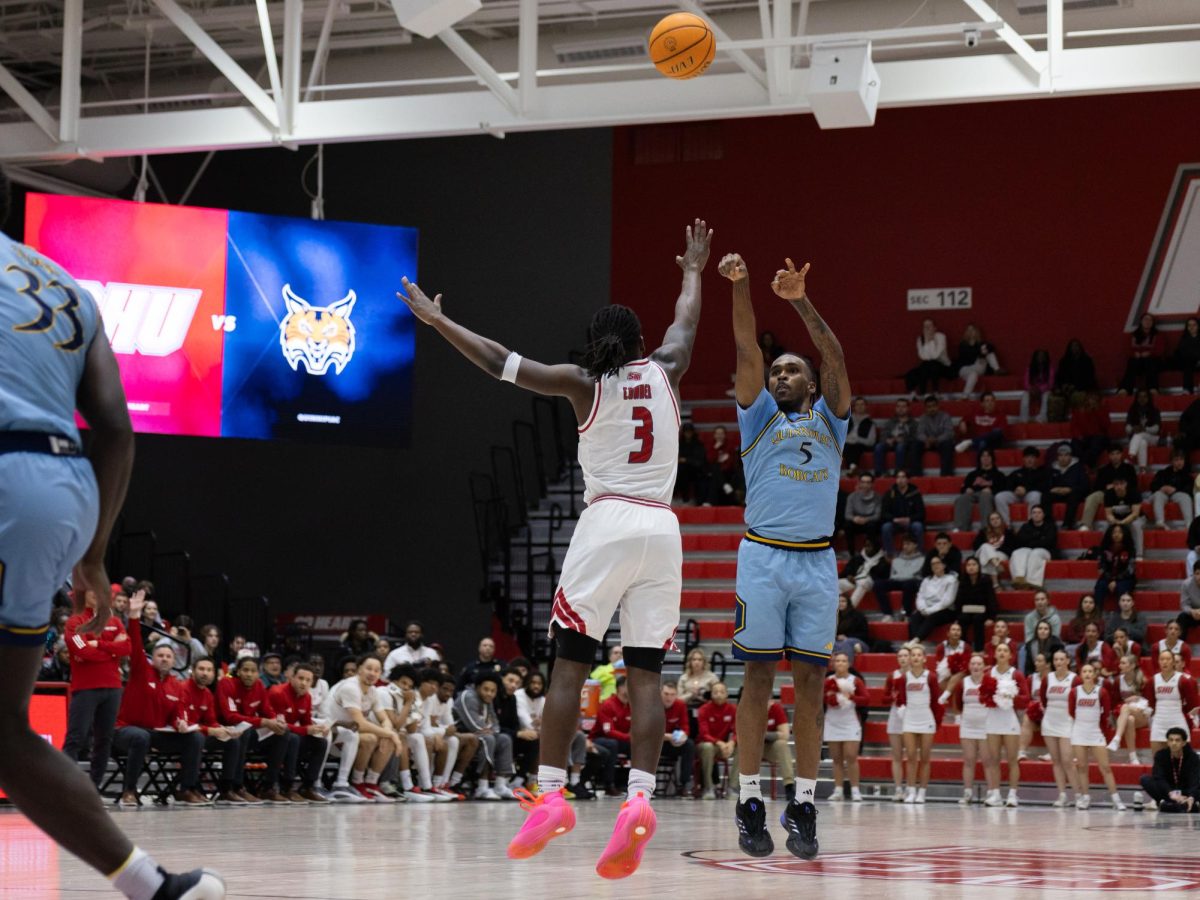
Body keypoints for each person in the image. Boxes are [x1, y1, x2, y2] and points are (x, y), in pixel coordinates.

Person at [401, 221, 713, 876]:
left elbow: (498, 361)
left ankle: (549, 796)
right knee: (647, 675)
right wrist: (692, 268)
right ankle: (639, 802)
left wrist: (437, 322)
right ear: (639, 342)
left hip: (607, 524)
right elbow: (686, 320)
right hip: (664, 528)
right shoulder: (670, 368)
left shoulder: (582, 382)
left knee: (570, 666)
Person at [0, 170, 222, 896]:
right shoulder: (68, 288)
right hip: (63, 493)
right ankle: (153, 887)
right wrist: (94, 555)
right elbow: (119, 432)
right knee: (7, 734)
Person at [716, 251, 851, 861]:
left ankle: (802, 803)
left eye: (791, 371)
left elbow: (837, 357)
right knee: (758, 678)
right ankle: (748, 800)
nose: (778, 377)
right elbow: (748, 351)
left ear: (812, 385)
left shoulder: (832, 421)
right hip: (765, 558)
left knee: (812, 684)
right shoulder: (758, 422)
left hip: (818, 562)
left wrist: (798, 300)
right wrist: (741, 288)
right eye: (776, 373)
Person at [110, 592, 209, 811]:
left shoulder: (176, 684)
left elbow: (178, 713)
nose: (164, 658)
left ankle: (186, 788)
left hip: (157, 733)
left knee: (195, 739)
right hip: (125, 730)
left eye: (168, 656)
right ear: (152, 658)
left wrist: (180, 724)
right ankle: (129, 790)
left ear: (175, 661)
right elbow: (135, 644)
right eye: (160, 655)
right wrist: (134, 616)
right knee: (141, 736)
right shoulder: (141, 670)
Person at [61, 587, 130, 790]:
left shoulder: (114, 621)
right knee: (76, 737)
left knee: (104, 740)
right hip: (85, 688)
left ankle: (93, 788)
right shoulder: (74, 622)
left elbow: (127, 648)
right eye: (92, 591)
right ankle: (67, 787)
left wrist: (98, 645)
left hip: (113, 688)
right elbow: (80, 650)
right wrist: (111, 651)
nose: (97, 594)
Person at [322, 655, 404, 802]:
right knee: (372, 738)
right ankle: (357, 782)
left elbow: (384, 718)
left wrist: (388, 733)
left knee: (386, 737)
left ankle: (371, 783)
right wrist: (390, 734)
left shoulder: (373, 690)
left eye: (377, 670)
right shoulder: (350, 687)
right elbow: (361, 723)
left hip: (351, 732)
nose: (372, 673)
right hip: (331, 734)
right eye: (369, 669)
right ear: (359, 669)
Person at [177, 657, 258, 805]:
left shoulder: (207, 693)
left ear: (214, 674)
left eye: (209, 670)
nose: (205, 673)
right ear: (192, 671)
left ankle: (227, 789)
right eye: (201, 669)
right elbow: (185, 724)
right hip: (182, 736)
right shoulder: (183, 688)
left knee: (232, 741)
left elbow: (211, 721)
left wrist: (222, 729)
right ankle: (187, 789)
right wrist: (212, 731)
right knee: (196, 738)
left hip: (201, 734)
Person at [214, 657, 292, 803]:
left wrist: (277, 721)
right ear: (238, 671)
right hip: (225, 733)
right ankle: (235, 787)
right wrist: (263, 721)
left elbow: (267, 711)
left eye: (253, 671)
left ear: (258, 673)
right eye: (245, 670)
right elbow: (230, 717)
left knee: (283, 733)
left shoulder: (259, 685)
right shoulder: (226, 683)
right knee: (245, 732)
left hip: (248, 734)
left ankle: (268, 787)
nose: (249, 674)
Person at [266, 663, 333, 803]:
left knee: (321, 742)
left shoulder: (307, 697)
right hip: (271, 735)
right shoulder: (278, 693)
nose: (304, 683)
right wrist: (306, 730)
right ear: (291, 677)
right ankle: (286, 786)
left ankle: (307, 787)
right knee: (294, 738)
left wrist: (319, 729)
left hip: (289, 737)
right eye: (300, 678)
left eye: (308, 680)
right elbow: (279, 725)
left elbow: (306, 724)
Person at [1070, 663, 1126, 810]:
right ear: (1080, 674)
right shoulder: (1074, 692)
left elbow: (1105, 714)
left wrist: (1097, 728)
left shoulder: (1102, 692)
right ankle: (1085, 797)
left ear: (1095, 674)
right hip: (1079, 732)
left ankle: (1116, 799)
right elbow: (1071, 712)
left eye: (1090, 671)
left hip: (1095, 732)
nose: (1088, 674)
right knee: (1082, 767)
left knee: (1106, 767)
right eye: (1084, 671)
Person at [980, 643, 1029, 807]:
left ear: (1010, 655)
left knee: (1012, 760)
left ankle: (1013, 794)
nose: (1001, 653)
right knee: (993, 759)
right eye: (999, 650)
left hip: (1009, 720)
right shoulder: (988, 674)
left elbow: (1025, 698)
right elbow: (983, 696)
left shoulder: (1016, 674)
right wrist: (992, 698)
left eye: (1005, 651)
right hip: (992, 719)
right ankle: (995, 794)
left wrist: (1011, 698)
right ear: (994, 654)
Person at [897, 645, 943, 804]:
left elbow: (936, 701)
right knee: (910, 756)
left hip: (926, 719)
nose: (916, 657)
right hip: (910, 719)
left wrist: (937, 722)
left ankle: (922, 792)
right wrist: (901, 710)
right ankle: (911, 790)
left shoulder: (930, 677)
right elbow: (901, 698)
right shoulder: (904, 677)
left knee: (924, 758)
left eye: (919, 655)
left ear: (924, 658)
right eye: (913, 655)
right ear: (910, 659)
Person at [823, 652, 868, 803]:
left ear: (848, 663)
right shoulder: (828, 680)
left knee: (851, 757)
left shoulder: (855, 680)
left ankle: (855, 790)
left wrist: (851, 697)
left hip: (850, 722)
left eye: (843, 661)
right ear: (833, 664)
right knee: (836, 758)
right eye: (838, 661)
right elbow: (819, 699)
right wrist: (828, 696)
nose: (840, 663)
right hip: (832, 721)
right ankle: (838, 790)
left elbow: (866, 699)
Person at [1039, 648, 1080, 807]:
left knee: (1068, 761)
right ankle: (1062, 795)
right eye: (1056, 660)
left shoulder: (1074, 679)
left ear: (1068, 661)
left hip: (1067, 723)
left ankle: (1078, 795)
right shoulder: (1047, 679)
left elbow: (1078, 700)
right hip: (1050, 722)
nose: (1059, 663)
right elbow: (1043, 699)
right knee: (1056, 761)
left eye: (1062, 659)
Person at [953, 653, 992, 805]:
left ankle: (991, 793)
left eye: (979, 664)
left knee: (988, 761)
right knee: (969, 760)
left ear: (984, 667)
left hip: (986, 725)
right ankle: (967, 793)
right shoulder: (963, 683)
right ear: (969, 666)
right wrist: (959, 717)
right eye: (973, 664)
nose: (976, 666)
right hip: (968, 725)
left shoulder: (990, 682)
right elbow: (957, 702)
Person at [1145, 649, 1199, 755]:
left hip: (1177, 721)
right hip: (1159, 722)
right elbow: (1151, 704)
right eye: (1162, 659)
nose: (1164, 662)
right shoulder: (1152, 680)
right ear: (1158, 662)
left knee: (1180, 763)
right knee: (1158, 761)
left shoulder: (1184, 680)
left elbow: (1193, 705)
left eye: (1168, 659)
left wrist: (1190, 719)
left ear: (1174, 662)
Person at [1139, 727, 1200, 812]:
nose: (1173, 743)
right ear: (1167, 742)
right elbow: (1159, 777)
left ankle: (1169, 805)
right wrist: (1170, 793)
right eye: (1171, 740)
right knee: (1145, 779)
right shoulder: (1161, 755)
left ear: (1184, 743)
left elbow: (1195, 780)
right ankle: (1184, 806)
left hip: (1187, 791)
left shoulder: (1193, 757)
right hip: (1168, 792)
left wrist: (1192, 796)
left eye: (1177, 740)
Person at [1106, 654, 1151, 767]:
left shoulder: (1143, 680)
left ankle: (1117, 738)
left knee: (1126, 709)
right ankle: (1133, 757)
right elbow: (1114, 703)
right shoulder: (1118, 681)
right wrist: (1127, 701)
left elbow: (1150, 702)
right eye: (1120, 663)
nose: (1119, 665)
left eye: (1123, 663)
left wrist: (1137, 699)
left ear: (1132, 666)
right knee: (1129, 719)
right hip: (1124, 714)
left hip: (1143, 714)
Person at [1081, 446, 1140, 531]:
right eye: (1112, 454)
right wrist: (1107, 487)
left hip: (1125, 494)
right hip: (1107, 494)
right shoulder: (1103, 470)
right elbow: (1096, 487)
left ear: (1121, 454)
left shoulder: (1129, 468)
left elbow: (1134, 485)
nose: (1115, 456)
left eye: (1117, 453)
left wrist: (1120, 486)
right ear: (1109, 456)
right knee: (1092, 497)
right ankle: (1086, 524)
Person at [696, 681, 737, 800]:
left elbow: (738, 731)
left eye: (722, 692)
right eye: (716, 692)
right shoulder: (704, 709)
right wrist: (720, 743)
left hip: (724, 746)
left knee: (741, 748)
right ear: (711, 694)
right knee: (708, 747)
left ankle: (732, 788)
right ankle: (709, 787)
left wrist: (731, 743)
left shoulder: (733, 709)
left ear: (727, 694)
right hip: (706, 745)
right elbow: (704, 734)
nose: (719, 694)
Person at [994, 447, 1050, 527]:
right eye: (1027, 457)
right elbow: (1007, 484)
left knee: (1036, 495)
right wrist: (1015, 489)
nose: (1029, 460)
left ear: (1037, 459)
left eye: (1032, 457)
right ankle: (1006, 525)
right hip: (1016, 495)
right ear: (1023, 459)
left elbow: (1043, 487)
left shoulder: (1042, 473)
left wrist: (1026, 489)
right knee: (999, 497)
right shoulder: (1017, 472)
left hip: (1030, 495)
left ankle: (1031, 524)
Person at [884, 646, 912, 801]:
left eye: (905, 655)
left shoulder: (916, 676)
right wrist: (892, 697)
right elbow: (884, 698)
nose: (903, 658)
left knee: (911, 755)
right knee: (897, 755)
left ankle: (910, 788)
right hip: (895, 716)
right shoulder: (892, 676)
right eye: (900, 656)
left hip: (912, 716)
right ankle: (898, 788)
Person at [953, 450, 1005, 534]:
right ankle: (960, 528)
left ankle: (986, 527)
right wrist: (967, 489)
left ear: (992, 458)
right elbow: (963, 488)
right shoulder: (972, 474)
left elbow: (1003, 488)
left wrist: (991, 490)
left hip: (989, 495)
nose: (985, 458)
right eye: (983, 456)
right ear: (980, 459)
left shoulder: (998, 475)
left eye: (988, 456)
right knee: (962, 498)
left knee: (985, 496)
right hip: (973, 494)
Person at [1008, 504, 1057, 590]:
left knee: (1035, 553)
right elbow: (1019, 541)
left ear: (1043, 515)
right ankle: (1019, 578)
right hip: (1029, 550)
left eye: (1039, 512)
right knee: (1017, 552)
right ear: (1031, 515)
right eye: (1034, 512)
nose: (1036, 514)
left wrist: (1031, 540)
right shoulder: (1025, 526)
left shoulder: (1050, 526)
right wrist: (1039, 538)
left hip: (1046, 551)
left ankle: (1032, 582)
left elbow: (1049, 542)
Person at [877, 532, 924, 621]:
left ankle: (907, 614)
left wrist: (903, 576)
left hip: (912, 582)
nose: (905, 546)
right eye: (904, 544)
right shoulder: (897, 560)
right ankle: (888, 614)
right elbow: (892, 576)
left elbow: (919, 576)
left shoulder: (922, 559)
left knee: (909, 584)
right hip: (898, 581)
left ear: (915, 545)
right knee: (878, 584)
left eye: (908, 544)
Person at [909, 556, 958, 641]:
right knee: (915, 617)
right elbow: (920, 596)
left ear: (944, 565)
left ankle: (916, 641)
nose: (935, 566)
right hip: (926, 608)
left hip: (945, 610)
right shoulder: (926, 580)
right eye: (933, 564)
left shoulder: (951, 579)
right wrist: (923, 609)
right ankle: (915, 641)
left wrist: (929, 611)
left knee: (932, 618)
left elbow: (947, 601)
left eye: (938, 563)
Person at [659, 682, 695, 797]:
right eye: (666, 694)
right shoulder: (654, 705)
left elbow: (685, 727)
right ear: (660, 693)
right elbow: (649, 731)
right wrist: (668, 736)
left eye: (672, 694)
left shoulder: (680, 705)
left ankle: (684, 785)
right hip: (655, 743)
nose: (669, 697)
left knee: (689, 745)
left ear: (676, 695)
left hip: (671, 743)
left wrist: (682, 737)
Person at [879, 469, 925, 558]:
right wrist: (894, 519)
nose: (900, 480)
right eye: (898, 477)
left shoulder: (915, 493)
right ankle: (890, 554)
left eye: (903, 477)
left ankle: (918, 553)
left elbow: (921, 513)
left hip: (910, 522)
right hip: (894, 522)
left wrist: (909, 519)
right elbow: (883, 513)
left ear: (907, 479)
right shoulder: (889, 493)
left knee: (918, 526)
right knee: (886, 527)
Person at [955, 557, 996, 651]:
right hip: (967, 610)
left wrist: (991, 617)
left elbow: (991, 599)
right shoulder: (962, 581)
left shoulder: (985, 580)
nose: (971, 567)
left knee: (978, 619)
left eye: (974, 564)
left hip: (982, 611)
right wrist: (957, 616)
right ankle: (964, 648)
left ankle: (979, 649)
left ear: (978, 567)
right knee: (962, 619)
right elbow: (958, 600)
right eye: (968, 565)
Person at [836, 537, 887, 611]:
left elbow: (882, 576)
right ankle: (835, 609)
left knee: (863, 582)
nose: (867, 548)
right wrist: (849, 576)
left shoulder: (882, 560)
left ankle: (848, 610)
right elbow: (847, 570)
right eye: (865, 546)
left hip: (870, 583)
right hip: (855, 581)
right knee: (837, 584)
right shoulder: (859, 557)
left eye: (869, 546)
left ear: (876, 548)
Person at [873, 398, 921, 476]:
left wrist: (903, 439)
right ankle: (880, 472)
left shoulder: (913, 423)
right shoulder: (890, 421)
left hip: (905, 443)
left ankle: (898, 472)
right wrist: (887, 440)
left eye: (903, 406)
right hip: (890, 442)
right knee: (879, 447)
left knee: (900, 446)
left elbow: (916, 437)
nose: (900, 409)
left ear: (908, 408)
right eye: (898, 406)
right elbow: (883, 434)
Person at [1119, 313, 1164, 394]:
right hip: (1137, 361)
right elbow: (1127, 349)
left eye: (1150, 320)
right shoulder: (1133, 335)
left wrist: (1149, 353)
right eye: (1145, 320)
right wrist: (1135, 354)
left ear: (1153, 323)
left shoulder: (1158, 335)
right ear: (1141, 322)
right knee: (1132, 362)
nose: (1148, 322)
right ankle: (1125, 389)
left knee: (1150, 361)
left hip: (1152, 361)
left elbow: (1160, 350)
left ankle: (1153, 389)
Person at [1047, 443, 1090, 529]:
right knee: (1045, 496)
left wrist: (1070, 489)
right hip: (1057, 493)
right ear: (1057, 457)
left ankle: (1067, 524)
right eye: (1061, 455)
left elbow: (1085, 486)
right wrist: (1053, 489)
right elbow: (1046, 484)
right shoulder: (1052, 469)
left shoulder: (1078, 468)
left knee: (1074, 496)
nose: (1063, 458)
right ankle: (1048, 523)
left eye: (1066, 455)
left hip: (1073, 493)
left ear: (1070, 456)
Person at [1095, 523, 1138, 609]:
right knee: (1100, 586)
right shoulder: (1104, 549)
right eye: (1114, 532)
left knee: (1122, 588)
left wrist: (1116, 580)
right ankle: (1097, 613)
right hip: (1107, 577)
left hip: (1125, 578)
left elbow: (1130, 569)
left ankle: (1121, 615)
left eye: (1119, 532)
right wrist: (1110, 579)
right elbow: (1101, 567)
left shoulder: (1130, 549)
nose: (1116, 535)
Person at [905, 318, 952, 395]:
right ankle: (916, 395)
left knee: (932, 365)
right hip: (927, 366)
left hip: (943, 366)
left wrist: (931, 341)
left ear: (935, 328)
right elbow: (923, 357)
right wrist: (926, 340)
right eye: (925, 326)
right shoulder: (920, 339)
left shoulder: (941, 337)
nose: (927, 328)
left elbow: (935, 356)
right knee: (911, 374)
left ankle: (935, 392)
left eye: (929, 326)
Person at [954, 325, 1002, 399]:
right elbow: (968, 356)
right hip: (966, 369)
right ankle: (965, 396)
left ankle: (997, 369)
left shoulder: (980, 343)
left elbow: (992, 347)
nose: (971, 332)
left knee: (989, 353)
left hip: (978, 366)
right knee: (973, 374)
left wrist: (984, 350)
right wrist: (981, 352)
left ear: (976, 332)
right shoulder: (963, 344)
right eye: (969, 330)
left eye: (973, 330)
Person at [1150, 449, 1193, 528]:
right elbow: (1153, 486)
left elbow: (1189, 489)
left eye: (1181, 459)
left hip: (1178, 494)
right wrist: (1162, 488)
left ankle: (1189, 524)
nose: (1179, 462)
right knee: (1157, 495)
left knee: (1185, 497)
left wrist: (1175, 490)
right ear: (1172, 462)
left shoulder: (1187, 476)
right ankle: (1160, 522)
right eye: (1176, 460)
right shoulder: (1163, 473)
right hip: (1163, 494)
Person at [917, 395, 956, 477]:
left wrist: (936, 440)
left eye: (934, 406)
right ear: (925, 408)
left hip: (941, 442)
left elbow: (949, 433)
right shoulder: (923, 418)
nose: (932, 409)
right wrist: (926, 440)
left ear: (938, 406)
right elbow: (920, 433)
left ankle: (946, 474)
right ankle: (916, 474)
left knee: (948, 444)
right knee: (915, 445)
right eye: (929, 407)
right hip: (927, 443)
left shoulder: (945, 416)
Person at [842, 472, 881, 552]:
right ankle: (851, 553)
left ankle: (871, 551)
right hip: (856, 522)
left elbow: (877, 515)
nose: (865, 485)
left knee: (872, 525)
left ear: (872, 484)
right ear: (859, 483)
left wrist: (866, 519)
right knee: (847, 525)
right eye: (863, 482)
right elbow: (847, 514)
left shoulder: (878, 497)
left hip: (870, 522)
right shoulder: (852, 497)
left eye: (868, 482)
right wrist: (854, 518)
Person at [972, 510, 1013, 586]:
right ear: (989, 521)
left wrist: (993, 551)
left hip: (1000, 554)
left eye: (997, 518)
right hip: (984, 552)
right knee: (985, 546)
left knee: (988, 558)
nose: (995, 521)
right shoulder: (983, 532)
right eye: (992, 519)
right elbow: (975, 545)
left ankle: (995, 584)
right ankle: (997, 565)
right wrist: (990, 550)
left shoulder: (1008, 532)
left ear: (1001, 519)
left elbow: (1011, 548)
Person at [1126, 389, 1162, 472]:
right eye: (1140, 397)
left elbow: (1156, 429)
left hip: (1153, 438)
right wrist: (1133, 429)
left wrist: (1144, 429)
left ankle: (1131, 456)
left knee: (1139, 434)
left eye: (1145, 397)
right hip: (1139, 439)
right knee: (1142, 442)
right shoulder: (1132, 410)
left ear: (1149, 398)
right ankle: (1143, 469)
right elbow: (1127, 429)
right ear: (1137, 398)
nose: (1142, 399)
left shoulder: (1154, 410)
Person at [675, 423, 712, 505]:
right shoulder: (679, 444)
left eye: (690, 432)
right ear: (683, 433)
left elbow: (700, 461)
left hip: (696, 470)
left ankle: (698, 500)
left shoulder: (698, 444)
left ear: (693, 432)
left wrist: (685, 460)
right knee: (680, 471)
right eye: (686, 432)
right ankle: (684, 498)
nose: (688, 434)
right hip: (683, 470)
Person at [1070, 393, 1110, 468]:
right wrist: (1079, 436)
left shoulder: (1102, 409)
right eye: (1091, 398)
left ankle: (1085, 466)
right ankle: (1083, 466)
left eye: (1095, 399)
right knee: (1074, 443)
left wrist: (1097, 411)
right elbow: (1074, 426)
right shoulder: (1079, 410)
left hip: (1099, 437)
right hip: (1084, 437)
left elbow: (1106, 426)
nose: (1092, 401)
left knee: (1095, 444)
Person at [708, 425, 745, 504]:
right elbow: (709, 460)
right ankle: (724, 485)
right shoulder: (711, 446)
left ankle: (728, 488)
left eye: (721, 434)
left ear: (725, 435)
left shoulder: (730, 445)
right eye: (717, 434)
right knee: (715, 468)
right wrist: (715, 449)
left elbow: (732, 460)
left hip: (728, 471)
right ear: (714, 435)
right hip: (716, 472)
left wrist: (723, 460)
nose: (719, 436)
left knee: (740, 472)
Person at [843, 397, 876, 476]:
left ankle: (851, 469)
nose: (860, 406)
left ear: (866, 407)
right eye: (857, 404)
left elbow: (871, 441)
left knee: (854, 446)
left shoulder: (870, 423)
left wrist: (857, 440)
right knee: (847, 446)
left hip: (861, 445)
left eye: (862, 404)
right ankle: (852, 467)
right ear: (854, 407)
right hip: (846, 443)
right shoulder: (846, 420)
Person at [1020, 349, 1054, 423]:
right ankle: (1023, 420)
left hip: (1044, 390)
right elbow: (1026, 382)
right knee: (1025, 395)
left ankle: (1042, 418)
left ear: (1046, 357)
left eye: (1043, 356)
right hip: (1032, 390)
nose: (1041, 357)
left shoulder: (1050, 368)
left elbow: (1050, 384)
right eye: (1039, 356)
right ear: (1035, 357)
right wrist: (1031, 389)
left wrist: (1040, 390)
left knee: (1046, 396)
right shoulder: (1030, 368)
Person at [1175, 317, 1200, 395]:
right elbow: (1183, 353)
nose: (1192, 327)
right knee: (1187, 364)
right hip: (1189, 362)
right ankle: (1187, 390)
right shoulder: (1184, 339)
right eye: (1189, 325)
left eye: (1194, 325)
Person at [1178, 561, 1200, 643]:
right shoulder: (1186, 584)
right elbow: (1184, 604)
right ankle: (1179, 647)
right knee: (1182, 617)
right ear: (1193, 574)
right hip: (1193, 614)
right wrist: (1192, 611)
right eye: (1197, 573)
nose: (1199, 577)